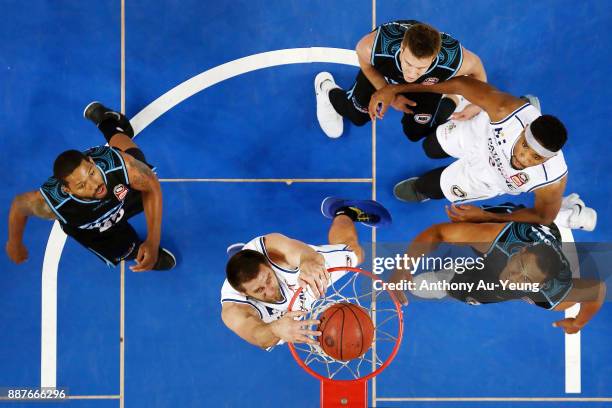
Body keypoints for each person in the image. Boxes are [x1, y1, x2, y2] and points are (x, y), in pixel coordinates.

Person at [370, 76, 573, 226]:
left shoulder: (552, 179)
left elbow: (543, 216)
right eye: (525, 145)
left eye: (536, 157)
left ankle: (422, 189)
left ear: (551, 157)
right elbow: (461, 85)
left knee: (429, 187)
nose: (523, 157)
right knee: (430, 147)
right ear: (525, 129)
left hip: (489, 177)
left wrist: (488, 216)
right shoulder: (506, 111)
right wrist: (396, 88)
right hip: (481, 135)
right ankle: (517, 107)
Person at [6, 102, 176, 271]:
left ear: (92, 161)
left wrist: (153, 242)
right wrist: (15, 243)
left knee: (136, 161)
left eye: (92, 173)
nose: (95, 185)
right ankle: (141, 254)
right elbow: (19, 206)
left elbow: (151, 185)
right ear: (68, 190)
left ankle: (109, 123)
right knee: (124, 250)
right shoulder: (55, 203)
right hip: (94, 227)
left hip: (122, 195)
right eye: (81, 185)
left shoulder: (115, 165)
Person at [389, 204, 605, 334]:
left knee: (467, 291)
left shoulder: (554, 295)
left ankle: (566, 213)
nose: (513, 277)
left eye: (527, 279)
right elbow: (438, 232)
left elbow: (597, 290)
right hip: (526, 223)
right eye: (519, 266)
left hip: (548, 236)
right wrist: (403, 266)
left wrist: (578, 322)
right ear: (519, 252)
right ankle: (561, 213)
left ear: (540, 286)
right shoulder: (502, 239)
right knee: (477, 220)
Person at [220, 197, 391, 349]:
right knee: (271, 337)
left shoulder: (271, 248)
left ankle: (343, 211)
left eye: (268, 280)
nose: (270, 290)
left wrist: (308, 261)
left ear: (267, 264)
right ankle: (241, 255)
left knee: (356, 253)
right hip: (277, 322)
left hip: (301, 278)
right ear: (244, 293)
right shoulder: (234, 309)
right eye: (259, 290)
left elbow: (301, 253)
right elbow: (256, 334)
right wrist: (275, 329)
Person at [315, 20, 487, 139]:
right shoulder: (376, 45)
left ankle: (453, 98)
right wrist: (390, 94)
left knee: (416, 132)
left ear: (435, 57)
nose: (411, 74)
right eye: (408, 63)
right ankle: (325, 88)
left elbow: (477, 69)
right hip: (384, 73)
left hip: (428, 84)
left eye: (420, 67)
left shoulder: (452, 58)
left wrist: (478, 104)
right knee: (357, 116)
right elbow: (366, 64)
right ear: (402, 47)